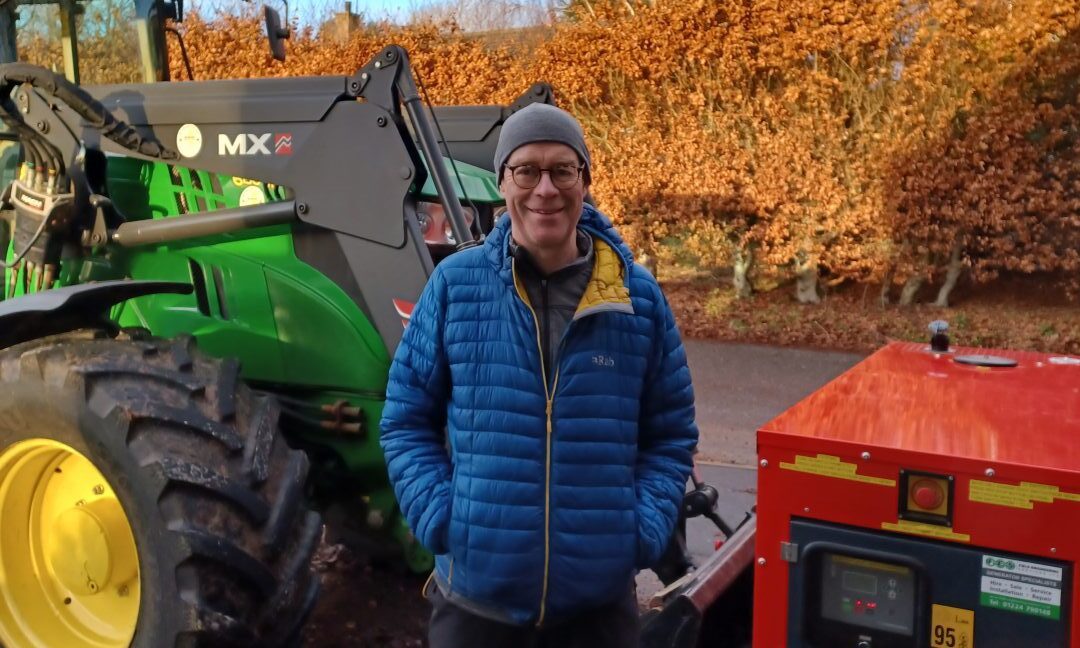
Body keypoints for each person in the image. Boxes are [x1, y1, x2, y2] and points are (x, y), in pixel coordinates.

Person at [379, 103, 698, 648]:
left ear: (584, 182)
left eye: (562, 170)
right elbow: (406, 420)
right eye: (526, 170)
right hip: (475, 608)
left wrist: (639, 531)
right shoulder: (456, 286)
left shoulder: (636, 297)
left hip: (597, 615)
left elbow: (670, 435)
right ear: (503, 182)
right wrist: (441, 519)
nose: (544, 189)